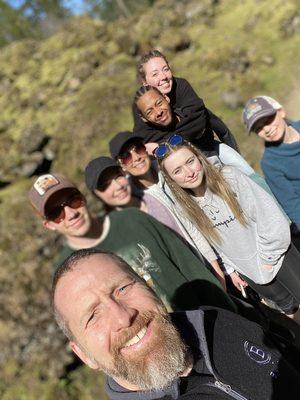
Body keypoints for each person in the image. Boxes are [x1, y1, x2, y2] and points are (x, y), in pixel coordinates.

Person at [52, 249, 300, 399]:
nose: (122, 317)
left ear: (149, 285)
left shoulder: (216, 321)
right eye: (93, 316)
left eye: (123, 288)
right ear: (84, 355)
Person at [28, 173, 234, 311]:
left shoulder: (134, 219)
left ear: (83, 197)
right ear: (49, 225)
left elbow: (191, 268)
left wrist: (229, 314)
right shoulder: (67, 272)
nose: (70, 213)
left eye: (72, 201)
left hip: (208, 322)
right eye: (56, 213)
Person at [155, 134, 300, 323]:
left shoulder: (230, 178)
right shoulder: (187, 207)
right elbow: (216, 241)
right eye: (177, 171)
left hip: (277, 255)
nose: (189, 172)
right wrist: (231, 269)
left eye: (190, 161)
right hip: (251, 272)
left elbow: (271, 220)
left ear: (199, 157)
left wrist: (266, 260)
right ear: (171, 179)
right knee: (289, 309)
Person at [108, 131, 227, 291]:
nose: (136, 157)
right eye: (127, 156)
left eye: (138, 149)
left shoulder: (173, 172)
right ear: (121, 164)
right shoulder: (135, 204)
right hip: (195, 275)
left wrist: (219, 267)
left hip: (223, 247)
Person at [134, 84, 257, 178]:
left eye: (159, 103)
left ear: (166, 98)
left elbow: (224, 132)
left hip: (220, 163)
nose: (158, 112)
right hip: (193, 183)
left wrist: (236, 157)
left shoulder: (194, 115)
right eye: (149, 112)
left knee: (255, 180)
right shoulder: (155, 146)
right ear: (144, 119)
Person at [132, 49, 240, 153]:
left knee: (206, 113)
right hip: (174, 159)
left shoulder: (180, 85)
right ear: (144, 82)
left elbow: (197, 122)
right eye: (155, 74)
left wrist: (162, 145)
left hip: (204, 146)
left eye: (166, 69)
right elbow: (145, 141)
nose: (164, 76)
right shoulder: (141, 104)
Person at [243, 95, 300, 250]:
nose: (266, 129)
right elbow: (293, 206)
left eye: (268, 120)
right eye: (258, 128)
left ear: (280, 112)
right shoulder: (270, 163)